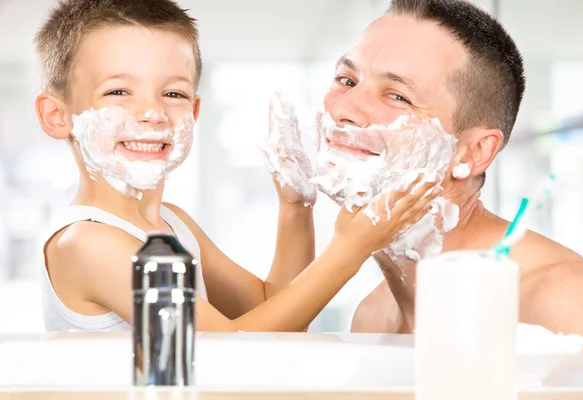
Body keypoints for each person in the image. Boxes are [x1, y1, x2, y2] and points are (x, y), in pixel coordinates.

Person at [33, 0, 440, 332]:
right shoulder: (88, 244)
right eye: (118, 91)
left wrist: (296, 207)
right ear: (57, 116)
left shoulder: (172, 224)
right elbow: (230, 353)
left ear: (194, 111)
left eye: (173, 93)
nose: (153, 112)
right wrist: (351, 248)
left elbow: (275, 309)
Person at [289, 0, 583, 358]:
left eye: (398, 96)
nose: (343, 110)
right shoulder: (373, 315)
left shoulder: (566, 306)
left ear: (474, 152)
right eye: (347, 80)